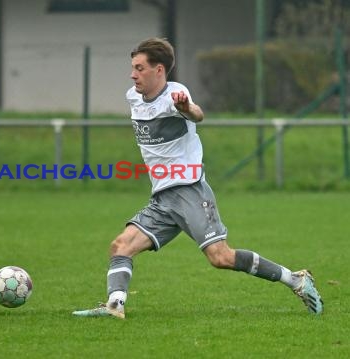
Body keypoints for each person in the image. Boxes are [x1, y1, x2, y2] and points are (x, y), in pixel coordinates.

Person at [72, 38, 323, 319]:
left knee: (221, 257)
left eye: (139, 68)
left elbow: (197, 113)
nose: (133, 74)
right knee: (121, 246)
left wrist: (186, 108)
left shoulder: (175, 95)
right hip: (164, 198)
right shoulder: (133, 96)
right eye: (132, 68)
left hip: (190, 191)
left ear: (159, 70)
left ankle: (296, 280)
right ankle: (115, 305)